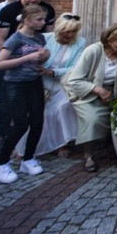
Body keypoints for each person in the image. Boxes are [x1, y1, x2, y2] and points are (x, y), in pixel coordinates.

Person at [64, 22, 117, 172]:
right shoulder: (93, 51)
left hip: (112, 95)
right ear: (108, 40)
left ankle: (116, 149)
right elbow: (74, 80)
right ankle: (88, 155)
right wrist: (97, 90)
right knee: (93, 119)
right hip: (87, 94)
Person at [0, 4, 50, 183]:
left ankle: (28, 158)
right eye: (39, 19)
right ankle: (0, 164)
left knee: (38, 121)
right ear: (27, 20)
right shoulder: (15, 38)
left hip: (34, 82)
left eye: (43, 19)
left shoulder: (39, 37)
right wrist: (27, 58)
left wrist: (44, 56)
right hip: (15, 84)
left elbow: (39, 60)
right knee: (21, 124)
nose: (43, 22)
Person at [0, 0, 56, 141]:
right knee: (5, 102)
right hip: (11, 63)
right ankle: (5, 134)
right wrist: (18, 60)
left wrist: (45, 56)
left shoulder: (47, 9)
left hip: (35, 64)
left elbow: (49, 37)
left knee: (33, 105)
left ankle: (29, 137)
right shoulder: (8, 11)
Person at [16, 13, 86, 158]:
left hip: (63, 82)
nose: (70, 34)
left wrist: (52, 72)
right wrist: (40, 64)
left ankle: (62, 143)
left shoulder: (80, 42)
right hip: (41, 82)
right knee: (38, 110)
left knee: (64, 105)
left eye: (73, 31)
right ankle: (27, 147)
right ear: (58, 29)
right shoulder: (45, 38)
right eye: (66, 31)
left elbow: (76, 67)